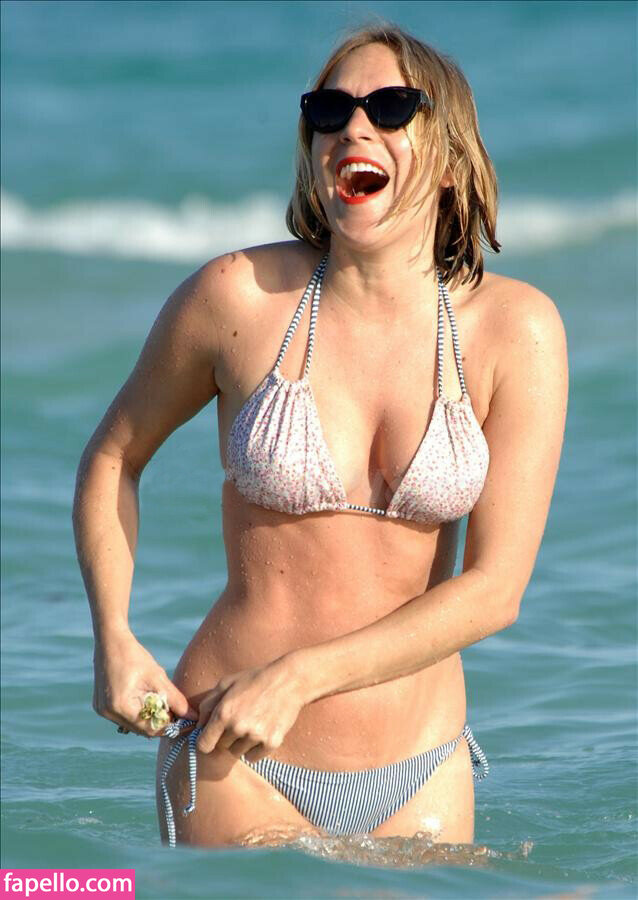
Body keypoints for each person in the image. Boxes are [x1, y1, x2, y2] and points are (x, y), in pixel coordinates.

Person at [72, 23, 568, 850]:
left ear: (450, 155)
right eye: (329, 112)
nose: (353, 128)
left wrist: (301, 677)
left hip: (421, 764)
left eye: (390, 107)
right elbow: (114, 456)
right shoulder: (236, 299)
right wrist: (112, 639)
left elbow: (494, 589)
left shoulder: (516, 332)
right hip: (235, 757)